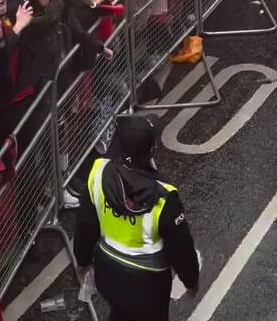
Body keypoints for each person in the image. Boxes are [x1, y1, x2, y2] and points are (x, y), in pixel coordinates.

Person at [74, 113, 199, 321]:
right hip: (148, 287)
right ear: (152, 150)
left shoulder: (98, 172)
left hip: (109, 274)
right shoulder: (165, 197)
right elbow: (181, 247)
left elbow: (85, 225)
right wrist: (191, 281)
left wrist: (83, 260)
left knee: (119, 314)